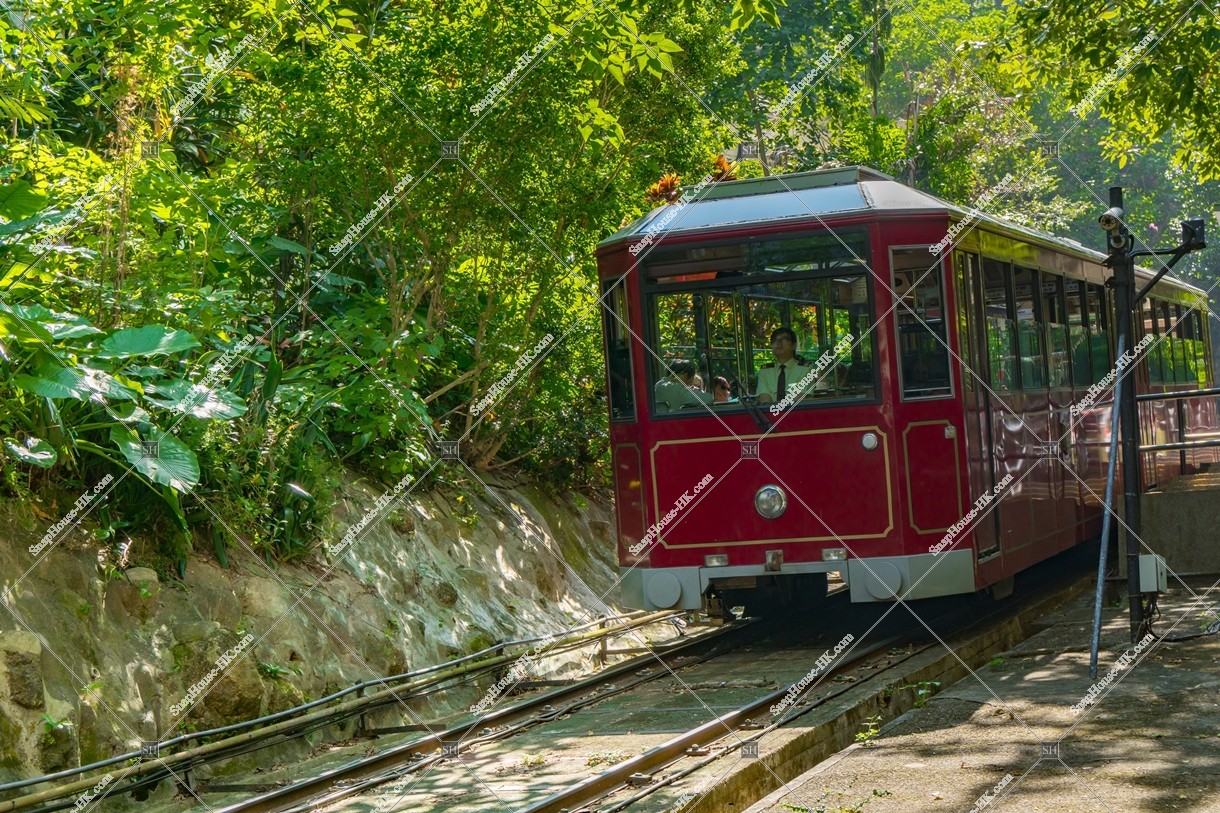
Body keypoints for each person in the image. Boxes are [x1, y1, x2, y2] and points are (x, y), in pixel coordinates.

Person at [755, 327, 813, 403]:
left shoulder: (805, 369)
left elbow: (799, 400)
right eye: (775, 340)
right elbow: (764, 399)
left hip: (796, 413)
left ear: (794, 346)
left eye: (784, 339)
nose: (779, 343)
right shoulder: (765, 371)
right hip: (771, 413)